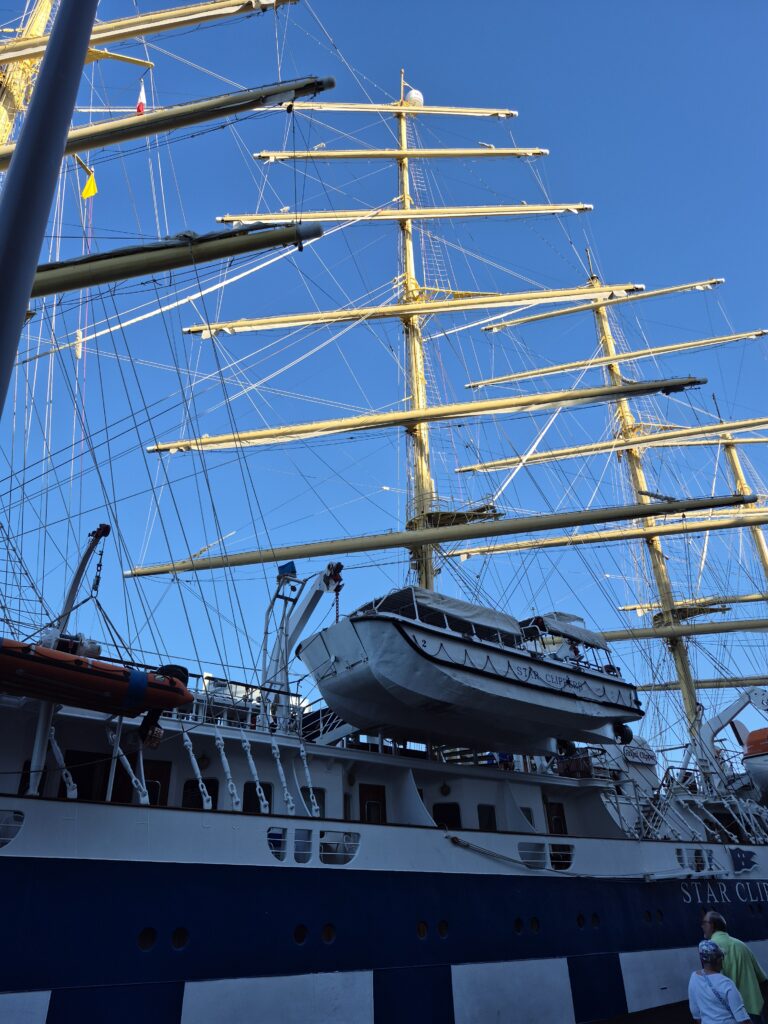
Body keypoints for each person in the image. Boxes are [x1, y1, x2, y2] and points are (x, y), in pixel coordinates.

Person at [702, 911, 767, 1023]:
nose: (702, 926)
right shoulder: (742, 945)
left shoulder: (708, 950)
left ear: (712, 925)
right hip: (753, 1010)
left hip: (728, 1015)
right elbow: (763, 979)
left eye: (704, 923)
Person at [689, 940, 750, 1024]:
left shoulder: (694, 978)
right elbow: (742, 1019)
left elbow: (696, 1013)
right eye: (722, 957)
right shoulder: (726, 984)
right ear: (717, 960)